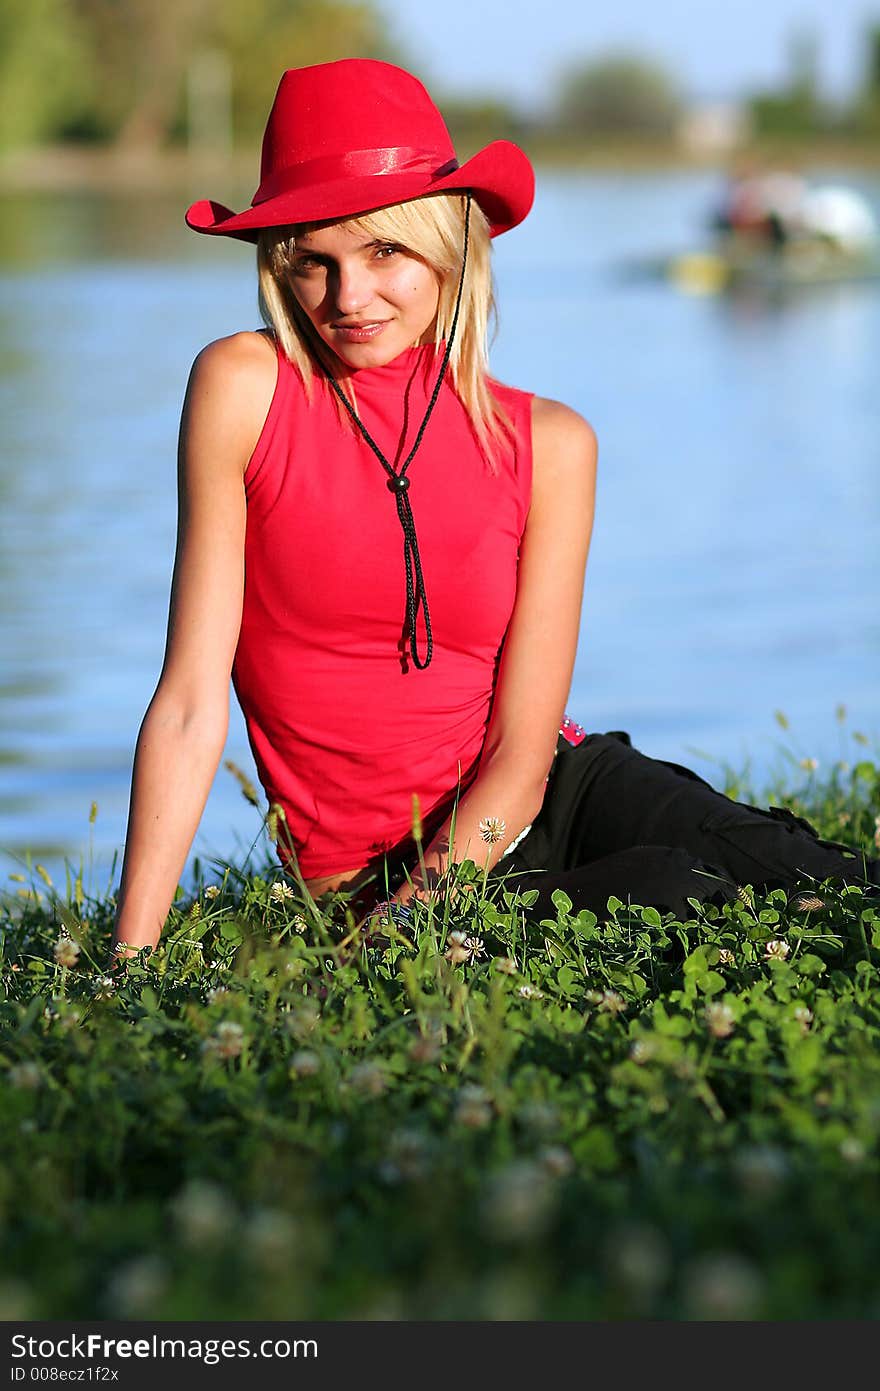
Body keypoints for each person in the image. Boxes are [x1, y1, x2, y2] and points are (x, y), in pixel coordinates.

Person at [110, 59, 878, 963]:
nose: (348, 298)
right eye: (314, 261)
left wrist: (419, 915)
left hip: (551, 789)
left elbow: (521, 750)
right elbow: (192, 702)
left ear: (447, 244)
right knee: (675, 893)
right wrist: (133, 961)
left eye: (384, 250)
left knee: (815, 877)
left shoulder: (549, 443)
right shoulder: (245, 388)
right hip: (374, 872)